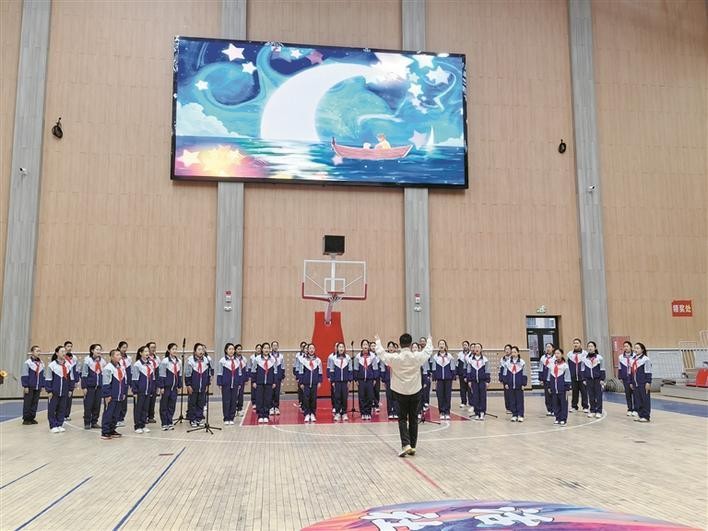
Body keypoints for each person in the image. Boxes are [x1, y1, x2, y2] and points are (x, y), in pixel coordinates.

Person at [374, 333, 433, 457]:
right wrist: (429, 340)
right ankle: (413, 446)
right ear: (411, 344)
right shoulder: (416, 357)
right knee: (413, 419)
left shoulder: (396, 358)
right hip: (415, 391)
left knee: (402, 419)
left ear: (400, 344)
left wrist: (378, 341)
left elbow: (382, 354)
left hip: (400, 392)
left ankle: (406, 444)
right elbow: (428, 351)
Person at [45, 345, 74, 432]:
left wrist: (70, 389)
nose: (64, 353)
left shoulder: (68, 365)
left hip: (64, 391)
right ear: (57, 353)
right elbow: (48, 378)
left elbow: (71, 378)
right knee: (52, 409)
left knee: (62, 408)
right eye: (62, 351)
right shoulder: (52, 365)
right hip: (54, 391)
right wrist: (49, 390)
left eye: (65, 351)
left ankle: (59, 424)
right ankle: (53, 425)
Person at [101, 349, 126, 440]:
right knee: (109, 413)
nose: (119, 356)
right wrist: (107, 395)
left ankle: (112, 429)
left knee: (116, 414)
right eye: (117, 355)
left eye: (120, 355)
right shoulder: (108, 368)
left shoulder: (121, 367)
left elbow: (123, 381)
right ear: (111, 357)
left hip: (119, 395)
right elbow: (106, 383)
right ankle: (105, 431)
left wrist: (123, 392)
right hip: (111, 395)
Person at [185, 343, 212, 427]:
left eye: (202, 350)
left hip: (203, 386)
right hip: (193, 386)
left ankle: (199, 419)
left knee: (201, 403)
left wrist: (207, 384)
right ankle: (192, 419)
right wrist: (188, 385)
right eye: (199, 349)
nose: (201, 351)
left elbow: (208, 374)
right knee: (193, 403)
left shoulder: (206, 360)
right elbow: (187, 374)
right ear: (195, 351)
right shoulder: (190, 361)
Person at [353, 339, 379, 420]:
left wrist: (375, 379)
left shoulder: (373, 356)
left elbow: (375, 368)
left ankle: (368, 412)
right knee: (362, 397)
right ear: (361, 346)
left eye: (366, 345)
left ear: (368, 346)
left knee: (370, 397)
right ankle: (363, 413)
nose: (365, 346)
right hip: (361, 380)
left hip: (370, 380)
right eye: (364, 345)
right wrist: (356, 379)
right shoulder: (358, 356)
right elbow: (356, 368)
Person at [131, 345, 154, 434]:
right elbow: (134, 379)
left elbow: (152, 378)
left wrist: (151, 389)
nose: (147, 353)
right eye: (145, 351)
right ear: (140, 353)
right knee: (138, 409)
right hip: (140, 391)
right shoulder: (137, 364)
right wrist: (135, 391)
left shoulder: (150, 364)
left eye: (148, 351)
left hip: (148, 390)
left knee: (145, 408)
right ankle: (137, 426)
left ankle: (143, 424)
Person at [81, 343, 105, 429]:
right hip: (90, 387)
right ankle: (87, 422)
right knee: (88, 405)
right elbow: (84, 375)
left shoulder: (103, 361)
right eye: (97, 349)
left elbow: (104, 374)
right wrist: (84, 387)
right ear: (92, 351)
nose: (99, 351)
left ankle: (94, 422)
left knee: (97, 405)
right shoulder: (87, 361)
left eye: (100, 349)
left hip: (99, 387)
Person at [158, 343, 181, 430]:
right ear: (169, 350)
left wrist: (179, 386)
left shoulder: (179, 361)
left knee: (172, 405)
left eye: (175, 349)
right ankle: (164, 423)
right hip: (166, 388)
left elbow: (179, 375)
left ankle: (170, 421)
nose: (174, 351)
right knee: (164, 405)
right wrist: (162, 387)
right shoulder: (165, 361)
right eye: (173, 349)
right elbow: (161, 374)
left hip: (174, 388)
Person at [297, 343, 323, 422]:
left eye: (313, 348)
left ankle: (313, 413)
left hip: (314, 383)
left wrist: (319, 381)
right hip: (306, 383)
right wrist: (301, 382)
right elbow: (301, 372)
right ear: (307, 350)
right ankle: (307, 414)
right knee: (306, 399)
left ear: (315, 350)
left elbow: (320, 372)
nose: (311, 350)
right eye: (310, 348)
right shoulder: (303, 360)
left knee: (313, 399)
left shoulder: (318, 360)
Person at [251, 342, 276, 423]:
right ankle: (260, 415)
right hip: (259, 382)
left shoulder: (273, 359)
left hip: (269, 382)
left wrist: (274, 382)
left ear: (270, 349)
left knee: (268, 399)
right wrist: (253, 381)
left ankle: (266, 415)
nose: (266, 349)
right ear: (262, 349)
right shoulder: (257, 359)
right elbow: (253, 370)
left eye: (268, 348)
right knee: (259, 399)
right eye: (265, 348)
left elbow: (275, 371)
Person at [431, 339, 456, 420]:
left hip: (448, 379)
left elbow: (452, 367)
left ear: (445, 346)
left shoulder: (450, 356)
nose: (441, 345)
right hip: (439, 379)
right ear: (438, 346)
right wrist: (434, 377)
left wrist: (453, 376)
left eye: (443, 344)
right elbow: (434, 368)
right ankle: (441, 411)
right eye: (440, 344)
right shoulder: (435, 357)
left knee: (447, 396)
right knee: (440, 396)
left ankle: (447, 412)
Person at [327, 342, 352, 421]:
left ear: (344, 349)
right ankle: (337, 413)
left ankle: (344, 413)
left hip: (345, 381)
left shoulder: (348, 358)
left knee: (344, 397)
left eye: (342, 347)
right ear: (337, 349)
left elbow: (350, 370)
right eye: (339, 347)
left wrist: (349, 380)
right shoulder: (333, 358)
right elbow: (331, 370)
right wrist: (333, 381)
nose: (341, 348)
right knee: (337, 397)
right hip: (337, 381)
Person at [217, 343, 241, 425]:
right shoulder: (222, 361)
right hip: (226, 384)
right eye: (229, 349)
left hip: (235, 384)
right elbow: (219, 372)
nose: (231, 351)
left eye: (233, 349)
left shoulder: (237, 361)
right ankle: (226, 418)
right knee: (226, 401)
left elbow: (239, 373)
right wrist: (220, 383)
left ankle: (231, 417)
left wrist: (239, 383)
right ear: (226, 350)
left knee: (234, 401)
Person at [21, 345, 45, 425]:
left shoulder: (41, 363)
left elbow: (43, 375)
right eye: (37, 351)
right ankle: (26, 419)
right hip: (30, 386)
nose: (39, 352)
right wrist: (25, 386)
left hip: (38, 386)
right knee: (28, 402)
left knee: (35, 402)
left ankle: (32, 418)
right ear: (32, 352)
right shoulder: (28, 363)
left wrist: (42, 385)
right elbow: (24, 375)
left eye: (39, 351)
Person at [465, 343, 490, 420]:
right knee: (475, 397)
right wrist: (469, 380)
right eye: (475, 347)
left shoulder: (485, 359)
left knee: (482, 397)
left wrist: (487, 381)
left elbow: (487, 370)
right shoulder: (470, 360)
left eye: (478, 347)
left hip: (482, 381)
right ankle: (477, 413)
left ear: (481, 349)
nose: (477, 349)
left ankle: (482, 412)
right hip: (474, 381)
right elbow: (468, 370)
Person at [547, 347, 571, 425]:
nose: (556, 355)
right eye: (555, 353)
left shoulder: (565, 366)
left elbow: (567, 377)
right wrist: (549, 386)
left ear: (562, 354)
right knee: (555, 403)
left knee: (563, 404)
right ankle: (557, 418)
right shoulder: (551, 365)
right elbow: (549, 377)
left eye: (558, 353)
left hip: (562, 389)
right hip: (554, 388)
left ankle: (563, 419)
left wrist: (567, 388)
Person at [502, 346, 527, 422]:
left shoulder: (522, 362)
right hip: (510, 385)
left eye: (515, 352)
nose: (513, 353)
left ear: (518, 353)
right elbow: (505, 373)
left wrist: (523, 384)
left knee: (519, 400)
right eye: (512, 352)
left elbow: (525, 374)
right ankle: (514, 415)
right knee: (512, 400)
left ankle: (520, 415)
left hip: (519, 385)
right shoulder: (507, 363)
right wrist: (506, 382)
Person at [582, 341, 605, 418]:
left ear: (595, 348)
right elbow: (583, 370)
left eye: (592, 346)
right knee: (591, 396)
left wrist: (602, 379)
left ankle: (599, 411)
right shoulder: (584, 359)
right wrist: (584, 379)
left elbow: (602, 369)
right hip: (589, 380)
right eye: (589, 346)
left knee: (598, 396)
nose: (590, 348)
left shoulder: (599, 358)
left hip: (597, 379)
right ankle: (592, 410)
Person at [630, 342, 652, 423]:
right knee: (638, 400)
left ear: (642, 350)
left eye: (638, 348)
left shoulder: (646, 359)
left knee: (645, 399)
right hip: (635, 383)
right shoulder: (632, 359)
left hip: (643, 383)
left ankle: (646, 416)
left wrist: (648, 382)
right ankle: (640, 415)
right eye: (635, 348)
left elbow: (648, 372)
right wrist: (631, 382)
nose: (636, 350)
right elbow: (631, 372)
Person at [567, 338, 589, 412]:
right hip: (573, 377)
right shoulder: (570, 354)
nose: (575, 344)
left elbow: (587, 365)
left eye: (577, 343)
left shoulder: (585, 354)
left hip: (582, 377)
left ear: (580, 344)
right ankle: (574, 406)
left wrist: (585, 376)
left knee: (584, 392)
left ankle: (585, 407)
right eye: (574, 343)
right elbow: (568, 366)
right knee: (574, 392)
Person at [381, 342, 399, 420]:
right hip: (388, 380)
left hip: (396, 380)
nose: (391, 348)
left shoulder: (397, 357)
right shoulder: (385, 357)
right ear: (387, 348)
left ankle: (396, 412)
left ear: (394, 348)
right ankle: (390, 412)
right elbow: (382, 369)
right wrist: (383, 380)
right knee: (389, 396)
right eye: (389, 347)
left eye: (392, 347)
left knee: (396, 397)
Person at [617, 341, 636, 416]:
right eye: (624, 346)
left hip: (633, 378)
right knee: (628, 394)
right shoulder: (620, 357)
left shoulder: (635, 356)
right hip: (625, 378)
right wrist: (620, 377)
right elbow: (619, 367)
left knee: (635, 394)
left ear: (631, 347)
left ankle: (636, 409)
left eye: (627, 346)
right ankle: (630, 409)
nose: (625, 348)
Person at [116, 341, 131, 426]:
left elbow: (129, 372)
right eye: (123, 347)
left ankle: (121, 418)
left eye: (126, 347)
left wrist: (129, 383)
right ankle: (116, 418)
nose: (125, 349)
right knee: (118, 400)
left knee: (124, 401)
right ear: (119, 347)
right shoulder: (117, 358)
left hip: (125, 382)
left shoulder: (128, 358)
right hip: (119, 382)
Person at [538, 343, 555, 416]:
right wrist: (541, 379)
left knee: (553, 394)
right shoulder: (543, 358)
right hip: (545, 379)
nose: (548, 349)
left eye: (549, 347)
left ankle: (555, 409)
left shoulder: (555, 357)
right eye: (547, 347)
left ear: (553, 348)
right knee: (547, 395)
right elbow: (540, 369)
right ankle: (549, 409)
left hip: (553, 379)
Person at [146, 341, 160, 424]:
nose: (153, 349)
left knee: (153, 399)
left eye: (154, 347)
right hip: (148, 381)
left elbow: (158, 371)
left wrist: (158, 383)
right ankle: (144, 416)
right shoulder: (146, 359)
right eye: (152, 347)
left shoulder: (157, 358)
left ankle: (151, 416)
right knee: (146, 399)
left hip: (155, 381)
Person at [63, 341, 78, 420]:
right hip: (64, 379)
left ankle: (66, 414)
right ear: (64, 347)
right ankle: (60, 414)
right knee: (63, 397)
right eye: (68, 346)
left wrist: (76, 380)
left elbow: (75, 370)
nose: (69, 348)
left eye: (71, 346)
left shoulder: (74, 358)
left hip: (71, 380)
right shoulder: (62, 357)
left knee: (69, 397)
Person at [270, 340, 284, 415]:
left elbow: (282, 367)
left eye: (276, 345)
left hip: (278, 377)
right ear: (271, 347)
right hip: (271, 377)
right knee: (270, 392)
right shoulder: (269, 356)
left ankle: (276, 407)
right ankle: (271, 407)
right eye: (273, 345)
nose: (275, 347)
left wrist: (282, 376)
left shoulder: (281, 356)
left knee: (277, 393)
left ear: (278, 347)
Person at [456, 341, 471, 409]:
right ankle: (463, 402)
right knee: (462, 388)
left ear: (468, 346)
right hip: (461, 374)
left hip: (468, 374)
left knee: (469, 389)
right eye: (463, 345)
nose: (465, 346)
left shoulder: (471, 354)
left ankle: (471, 402)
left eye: (466, 345)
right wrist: (457, 373)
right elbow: (457, 364)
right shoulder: (460, 354)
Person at [499, 344, 512, 414]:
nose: (507, 350)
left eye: (508, 349)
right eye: (506, 349)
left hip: (512, 378)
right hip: (505, 378)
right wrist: (501, 378)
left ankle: (513, 407)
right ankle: (508, 408)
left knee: (512, 393)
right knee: (506, 394)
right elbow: (501, 369)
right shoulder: (502, 359)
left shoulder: (513, 358)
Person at [294, 341, 307, 410]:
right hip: (301, 377)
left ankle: (307, 406)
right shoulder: (299, 357)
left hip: (308, 377)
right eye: (304, 348)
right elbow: (296, 367)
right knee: (301, 391)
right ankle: (301, 403)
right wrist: (297, 377)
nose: (306, 349)